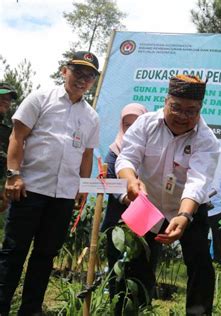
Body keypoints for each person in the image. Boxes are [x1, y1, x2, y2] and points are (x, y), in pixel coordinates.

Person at [0, 51, 100, 315]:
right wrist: (13, 175)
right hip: (29, 189)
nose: (82, 79)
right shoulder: (40, 98)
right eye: (78, 72)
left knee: (45, 257)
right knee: (13, 252)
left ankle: (30, 310)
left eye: (89, 76)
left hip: (63, 197)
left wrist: (82, 186)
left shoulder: (91, 117)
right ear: (64, 71)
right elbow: (17, 137)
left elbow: (87, 154)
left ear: (93, 82)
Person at [116, 74, 220, 315]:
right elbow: (127, 157)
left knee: (200, 266)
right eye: (177, 108)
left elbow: (198, 180)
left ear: (200, 109)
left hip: (189, 208)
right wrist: (131, 180)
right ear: (165, 101)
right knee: (135, 261)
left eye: (191, 111)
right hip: (145, 201)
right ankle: (135, 310)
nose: (183, 116)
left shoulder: (206, 140)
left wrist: (184, 215)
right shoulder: (145, 124)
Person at [99, 103, 147, 313]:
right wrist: (124, 197)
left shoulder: (152, 149)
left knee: (141, 260)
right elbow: (108, 180)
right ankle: (115, 304)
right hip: (117, 214)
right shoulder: (115, 150)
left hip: (144, 213)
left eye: (136, 124)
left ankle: (138, 306)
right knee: (115, 258)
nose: (130, 129)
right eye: (127, 125)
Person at [0, 83, 18, 212]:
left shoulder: (7, 131)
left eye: (8, 99)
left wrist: (3, 189)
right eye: (2, 96)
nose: (6, 101)